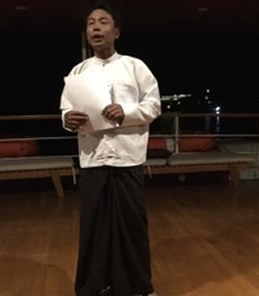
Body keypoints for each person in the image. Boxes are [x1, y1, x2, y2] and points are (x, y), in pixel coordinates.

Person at [60, 3, 160, 296]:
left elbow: (153, 105)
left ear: (116, 32)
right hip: (93, 157)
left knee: (132, 225)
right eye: (91, 23)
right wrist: (67, 118)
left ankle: (137, 287)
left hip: (127, 156)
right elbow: (66, 108)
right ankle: (94, 286)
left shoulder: (135, 66)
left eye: (103, 22)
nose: (96, 27)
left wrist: (125, 112)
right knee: (93, 226)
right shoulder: (78, 71)